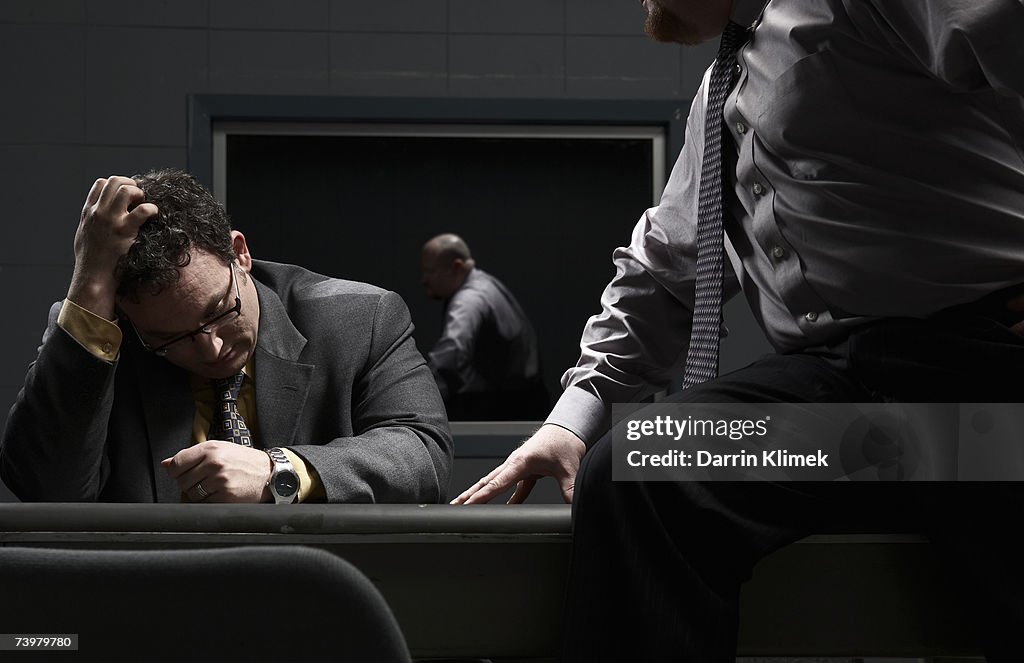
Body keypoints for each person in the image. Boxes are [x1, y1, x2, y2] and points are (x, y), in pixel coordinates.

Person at [454, 0, 1024, 660]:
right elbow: (663, 269)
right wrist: (569, 423)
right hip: (856, 415)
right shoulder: (721, 95)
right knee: (646, 468)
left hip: (983, 380)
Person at [0, 170, 452, 504]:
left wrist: (281, 470)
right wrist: (87, 288)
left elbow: (422, 453)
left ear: (240, 253)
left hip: (319, 597)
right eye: (167, 338)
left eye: (219, 311)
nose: (211, 348)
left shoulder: (360, 317)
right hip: (148, 603)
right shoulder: (100, 334)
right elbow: (45, 490)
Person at [420, 233, 548, 420]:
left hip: (509, 409)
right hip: (525, 400)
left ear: (456, 267)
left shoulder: (469, 300)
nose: (423, 279)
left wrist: (418, 400)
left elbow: (451, 356)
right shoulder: (484, 282)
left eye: (429, 271)